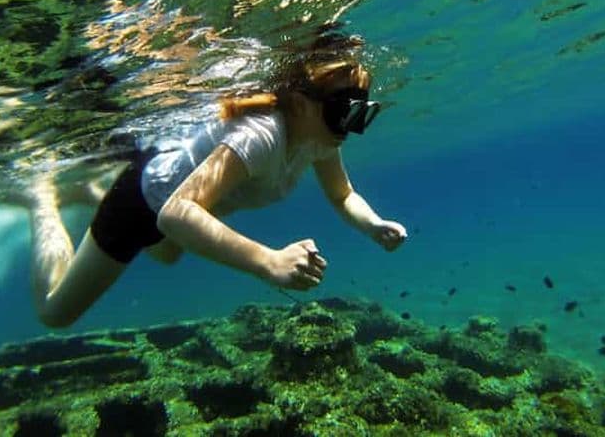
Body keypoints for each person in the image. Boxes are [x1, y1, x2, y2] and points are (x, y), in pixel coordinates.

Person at [25, 39, 408, 328]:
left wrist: (373, 224)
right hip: (142, 203)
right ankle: (40, 199)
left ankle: (94, 191)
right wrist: (268, 261)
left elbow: (343, 196)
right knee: (55, 313)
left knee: (168, 254)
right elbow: (175, 215)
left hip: (173, 190)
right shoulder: (261, 135)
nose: (351, 129)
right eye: (345, 113)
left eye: (363, 115)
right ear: (301, 103)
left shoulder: (320, 138)